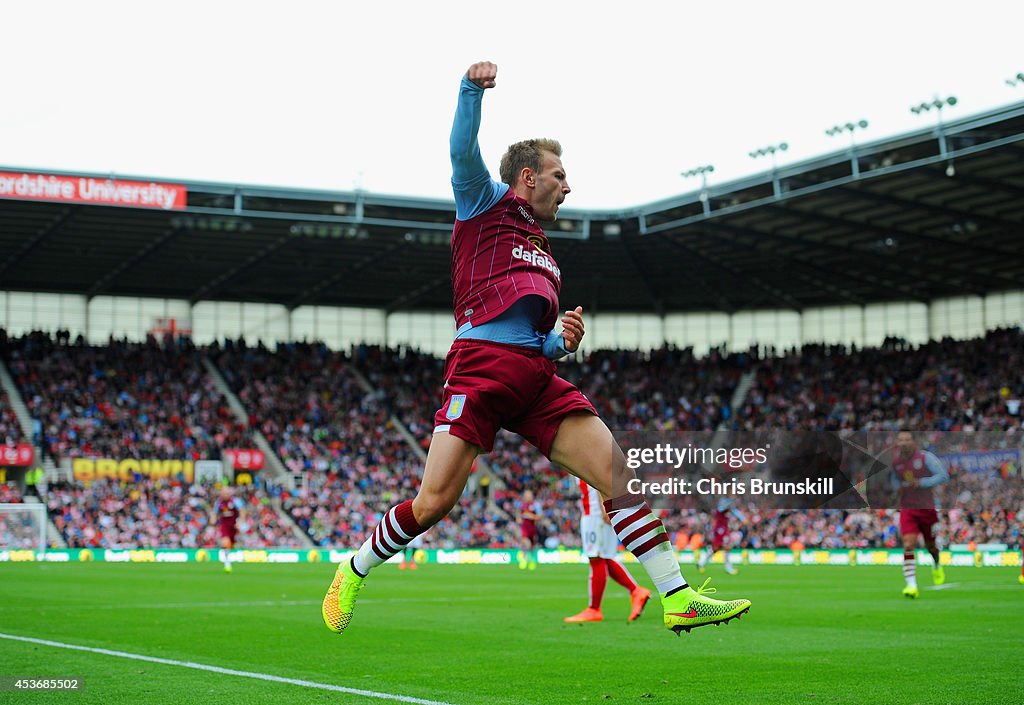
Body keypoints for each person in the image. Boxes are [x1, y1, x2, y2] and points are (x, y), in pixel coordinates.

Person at [322, 60, 750, 637]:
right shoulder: (483, 204)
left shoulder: (542, 249)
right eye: (559, 174)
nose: (568, 185)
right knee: (432, 504)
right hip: (480, 370)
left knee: (619, 477)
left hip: (534, 377)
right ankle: (353, 569)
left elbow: (535, 341)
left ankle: (676, 597)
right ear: (527, 176)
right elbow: (459, 148)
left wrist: (559, 342)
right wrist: (471, 90)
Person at [564, 479, 651, 623]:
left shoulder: (588, 456)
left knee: (596, 558)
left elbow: (597, 477)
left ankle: (594, 609)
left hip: (596, 513)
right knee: (603, 558)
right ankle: (637, 592)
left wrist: (604, 507)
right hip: (596, 512)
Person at [891, 431, 948, 598]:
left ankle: (936, 563)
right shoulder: (896, 462)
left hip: (927, 508)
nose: (903, 443)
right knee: (908, 544)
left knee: (930, 546)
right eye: (900, 439)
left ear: (913, 441)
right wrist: (897, 489)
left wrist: (922, 483)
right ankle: (911, 585)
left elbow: (943, 476)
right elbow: (895, 481)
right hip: (908, 508)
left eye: (907, 439)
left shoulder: (925, 458)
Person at [697, 497, 745, 575]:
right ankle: (728, 567)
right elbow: (723, 508)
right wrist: (732, 501)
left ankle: (701, 562)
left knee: (717, 548)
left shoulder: (727, 510)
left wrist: (742, 518)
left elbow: (734, 511)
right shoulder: (721, 509)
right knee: (726, 547)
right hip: (720, 530)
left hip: (723, 529)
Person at [213, 485, 245, 573]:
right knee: (226, 542)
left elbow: (242, 511)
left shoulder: (235, 501)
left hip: (234, 525)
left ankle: (232, 557)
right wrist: (213, 519)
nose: (225, 495)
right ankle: (227, 563)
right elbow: (215, 512)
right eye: (223, 493)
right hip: (225, 525)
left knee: (232, 544)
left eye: (226, 493)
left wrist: (240, 522)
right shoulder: (219, 502)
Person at [518, 489, 541, 570]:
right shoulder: (522, 505)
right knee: (526, 542)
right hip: (525, 527)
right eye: (526, 495)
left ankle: (532, 560)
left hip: (532, 528)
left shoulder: (536, 505)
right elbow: (519, 516)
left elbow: (539, 516)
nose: (528, 497)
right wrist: (519, 519)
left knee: (532, 546)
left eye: (529, 495)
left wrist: (531, 516)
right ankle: (524, 559)